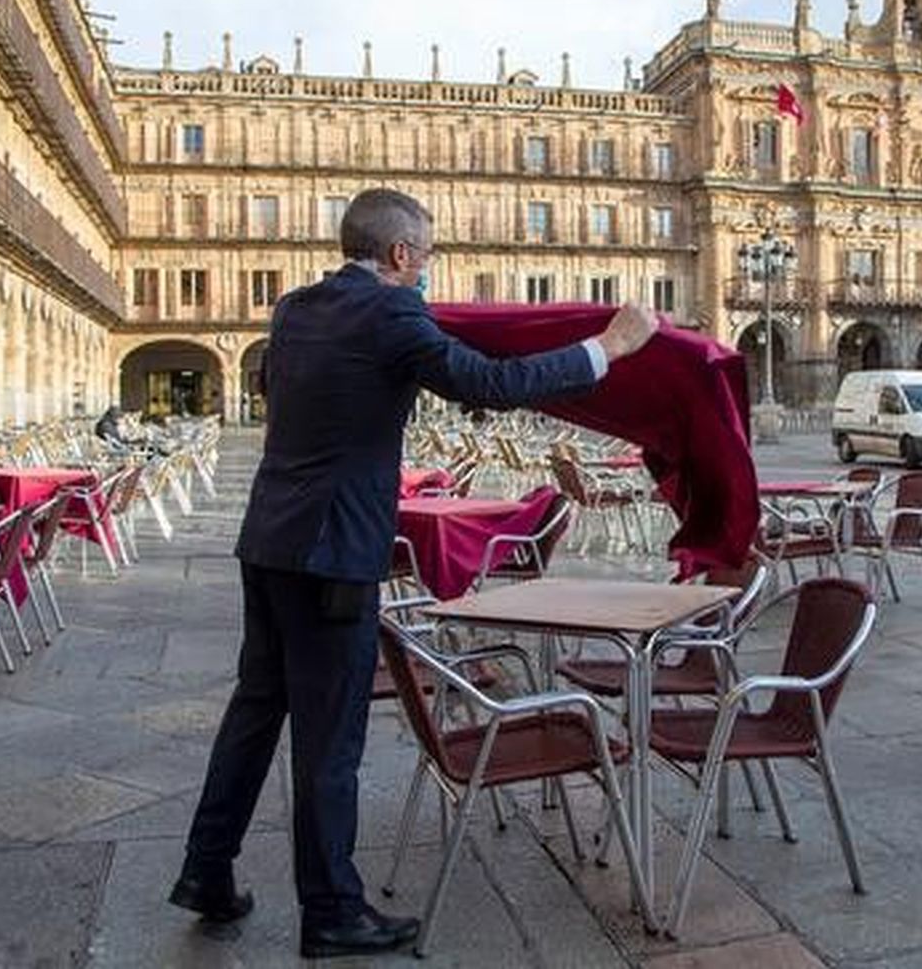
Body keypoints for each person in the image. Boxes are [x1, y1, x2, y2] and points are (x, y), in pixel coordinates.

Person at [168, 187, 658, 960]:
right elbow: (486, 383)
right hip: (334, 553)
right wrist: (611, 347)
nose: (427, 273)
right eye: (425, 258)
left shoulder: (295, 308)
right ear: (401, 254)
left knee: (255, 711)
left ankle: (206, 869)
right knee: (329, 739)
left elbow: (340, 390)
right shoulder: (392, 313)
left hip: (268, 541)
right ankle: (330, 908)